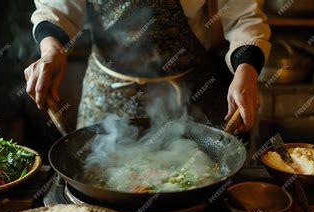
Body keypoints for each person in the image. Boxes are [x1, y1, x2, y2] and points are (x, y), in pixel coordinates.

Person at [25, 0, 270, 134]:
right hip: (107, 94)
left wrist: (246, 71)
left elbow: (243, 16)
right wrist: (51, 50)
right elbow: (56, 8)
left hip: (190, 94)